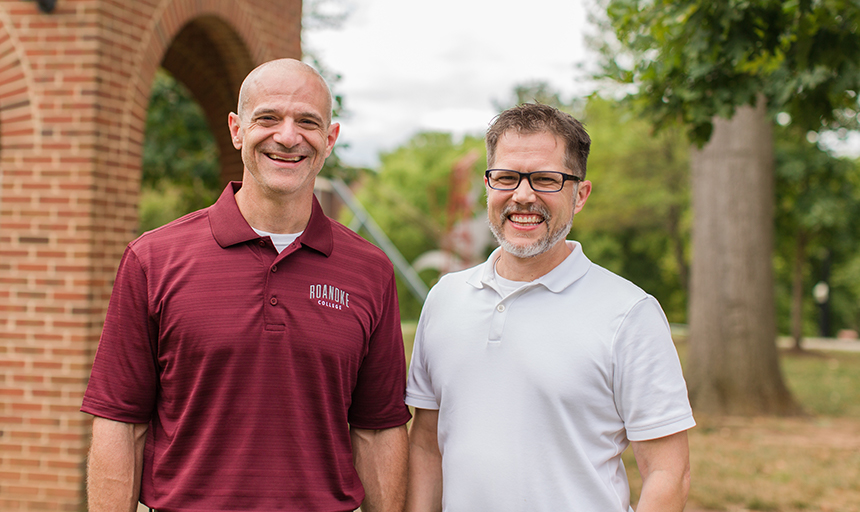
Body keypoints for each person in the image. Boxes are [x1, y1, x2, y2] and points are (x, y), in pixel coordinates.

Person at [82, 58, 411, 512]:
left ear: (330, 140)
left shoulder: (369, 271)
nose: (288, 136)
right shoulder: (152, 259)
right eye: (269, 118)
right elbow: (121, 421)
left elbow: (377, 429)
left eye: (307, 122)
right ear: (238, 130)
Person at [405, 103, 695, 512]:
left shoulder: (630, 313)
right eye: (506, 177)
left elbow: (669, 472)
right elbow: (427, 446)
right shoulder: (445, 299)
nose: (523, 196)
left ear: (580, 195)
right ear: (488, 186)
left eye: (546, 179)